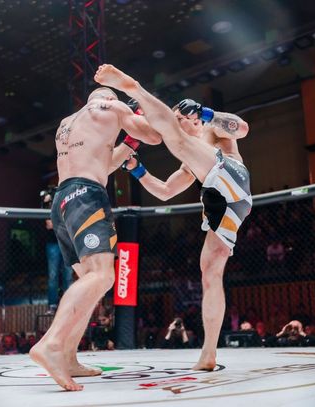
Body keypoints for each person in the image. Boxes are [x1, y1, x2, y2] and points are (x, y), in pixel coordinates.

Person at [94, 64, 251, 371]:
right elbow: (165, 191)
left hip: (233, 176)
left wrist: (206, 113)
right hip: (224, 206)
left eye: (181, 117)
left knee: (175, 140)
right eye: (175, 119)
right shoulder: (191, 162)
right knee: (210, 272)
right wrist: (137, 170)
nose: (178, 122)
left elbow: (242, 128)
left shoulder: (211, 130)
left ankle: (133, 86)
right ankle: (209, 353)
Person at [29, 86, 161, 391]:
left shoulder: (68, 122)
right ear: (110, 99)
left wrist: (129, 143)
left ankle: (69, 357)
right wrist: (139, 114)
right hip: (86, 195)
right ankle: (51, 344)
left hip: (62, 200)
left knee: (91, 283)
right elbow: (154, 136)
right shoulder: (113, 107)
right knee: (103, 276)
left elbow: (104, 162)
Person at [41, 188, 73, 314]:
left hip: (67, 243)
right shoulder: (47, 205)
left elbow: (71, 223)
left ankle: (68, 305)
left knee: (68, 275)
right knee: (53, 276)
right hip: (53, 243)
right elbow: (49, 225)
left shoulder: (68, 202)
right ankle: (52, 305)